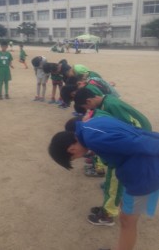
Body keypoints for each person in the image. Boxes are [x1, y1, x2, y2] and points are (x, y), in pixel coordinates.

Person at [49, 116, 159, 250]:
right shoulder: (92, 124)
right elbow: (133, 131)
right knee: (126, 214)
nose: (79, 157)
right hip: (140, 170)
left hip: (144, 175)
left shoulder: (93, 139)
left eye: (74, 158)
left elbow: (138, 143)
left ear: (71, 150)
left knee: (127, 222)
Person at [74, 87, 152, 226]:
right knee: (112, 179)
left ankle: (108, 214)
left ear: (89, 100)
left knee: (115, 180)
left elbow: (130, 127)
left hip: (135, 145)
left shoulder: (111, 105)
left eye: (86, 107)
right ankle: (108, 205)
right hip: (131, 145)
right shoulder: (106, 102)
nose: (88, 111)